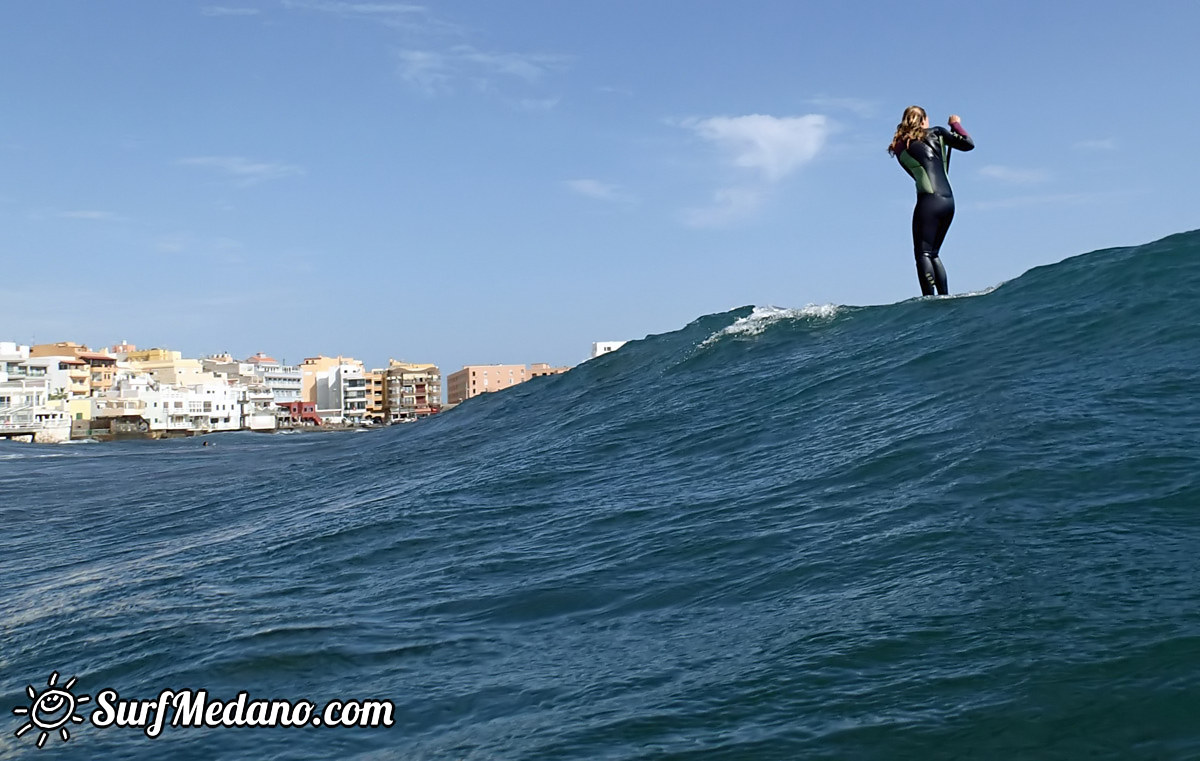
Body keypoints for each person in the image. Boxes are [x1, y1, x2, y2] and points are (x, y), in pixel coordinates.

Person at [888, 105, 974, 296]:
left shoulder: (900, 145)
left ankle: (930, 299)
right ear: (924, 120)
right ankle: (944, 296)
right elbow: (968, 143)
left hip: (929, 202)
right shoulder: (938, 133)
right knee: (933, 253)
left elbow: (915, 172)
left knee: (923, 254)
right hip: (949, 202)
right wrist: (956, 125)